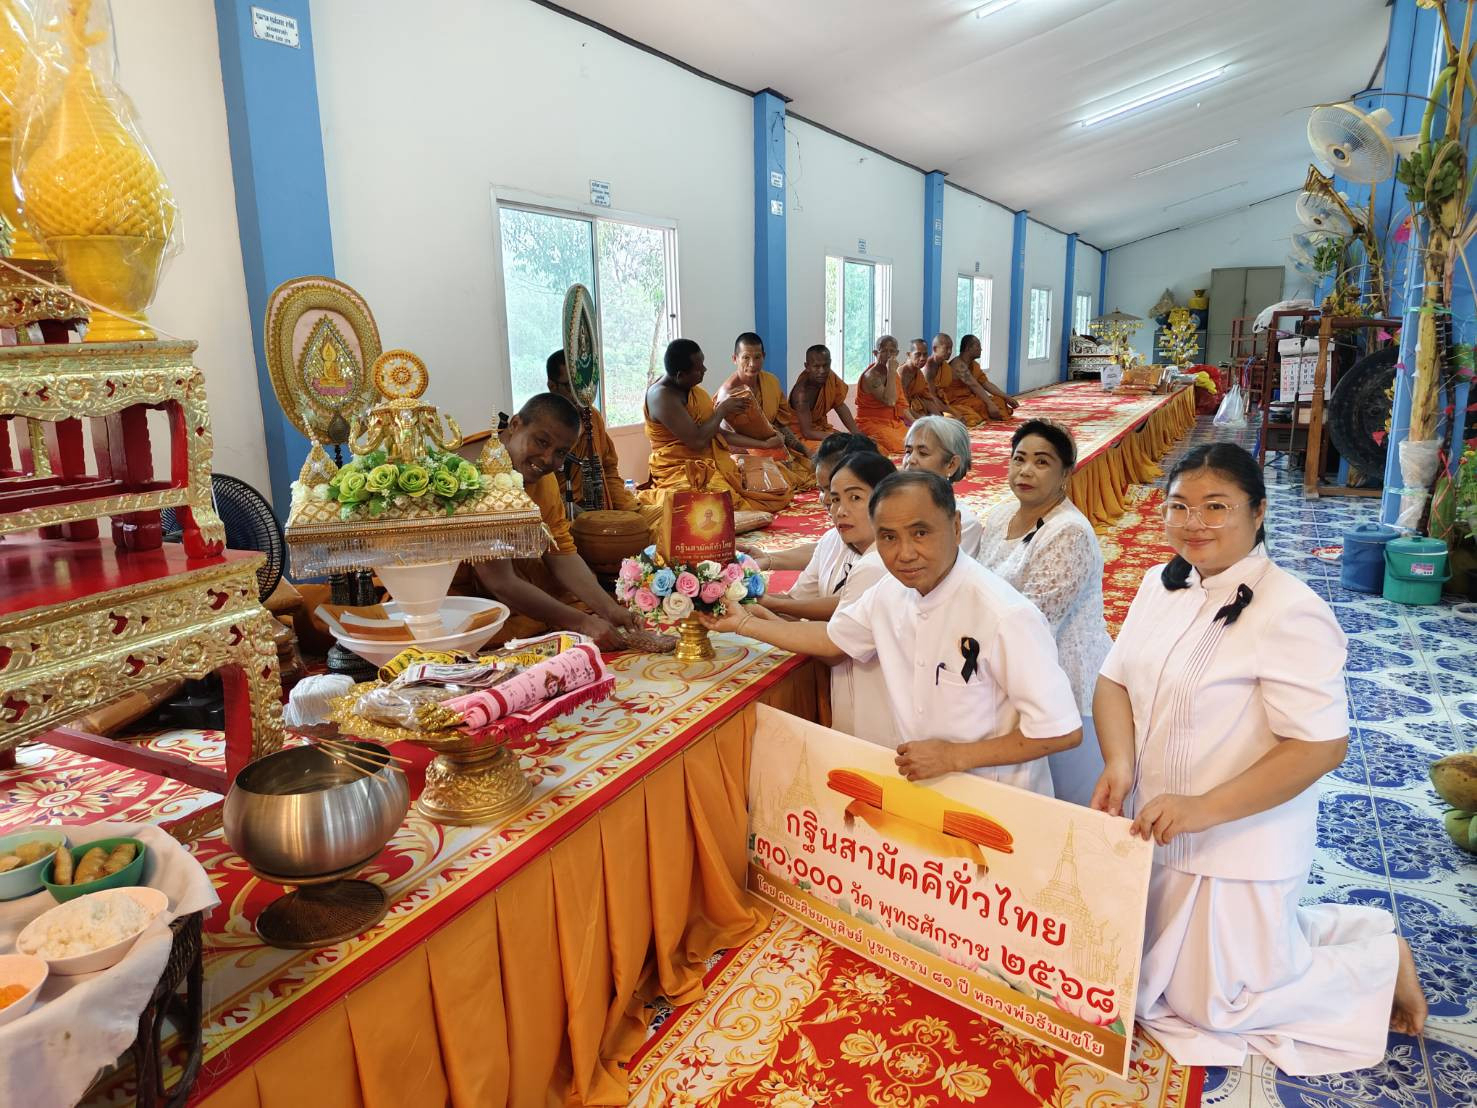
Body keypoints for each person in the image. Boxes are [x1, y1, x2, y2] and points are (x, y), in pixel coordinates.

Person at [1091, 442, 1426, 1074]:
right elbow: (1113, 680)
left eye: (1216, 506)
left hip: (1240, 840)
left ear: (1259, 511)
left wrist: (1204, 808)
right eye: (1179, 506)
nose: (1194, 523)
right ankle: (1337, 932)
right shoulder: (1161, 585)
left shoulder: (1291, 609)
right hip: (1159, 826)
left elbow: (1321, 745)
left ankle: (1381, 964)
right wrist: (1119, 765)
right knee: (1153, 975)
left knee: (1217, 1007)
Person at [706, 470, 1083, 795]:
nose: (904, 553)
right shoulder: (891, 592)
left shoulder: (1005, 615)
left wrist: (955, 756)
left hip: (996, 798)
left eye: (920, 533)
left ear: (955, 527)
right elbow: (832, 640)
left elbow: (1061, 731)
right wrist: (744, 623)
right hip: (921, 789)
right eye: (888, 537)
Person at [976, 420, 1109, 806]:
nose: (1026, 471)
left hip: (1064, 678)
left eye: (1042, 462)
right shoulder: (1001, 516)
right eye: (1019, 459)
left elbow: (1034, 622)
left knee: (1066, 803)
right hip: (1008, 667)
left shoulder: (1069, 532)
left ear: (1065, 473)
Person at [748, 452, 896, 742]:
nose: (840, 510)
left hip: (877, 714)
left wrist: (751, 622)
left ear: (887, 501)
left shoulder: (877, 563)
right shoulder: (853, 548)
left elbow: (834, 649)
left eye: (855, 498)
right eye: (835, 499)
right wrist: (771, 605)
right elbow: (807, 603)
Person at [472, 393, 640, 649]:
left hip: (507, 589)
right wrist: (582, 623)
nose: (547, 459)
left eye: (561, 452)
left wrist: (609, 609)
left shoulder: (544, 480)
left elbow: (560, 551)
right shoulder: (473, 475)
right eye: (541, 442)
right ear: (515, 424)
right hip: (458, 601)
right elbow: (499, 581)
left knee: (570, 605)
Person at [642, 338, 791, 513]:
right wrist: (722, 411)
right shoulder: (662, 397)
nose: (705, 370)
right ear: (681, 375)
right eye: (699, 369)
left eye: (703, 364)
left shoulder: (691, 390)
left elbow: (715, 433)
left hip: (712, 462)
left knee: (775, 489)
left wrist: (764, 444)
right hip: (680, 469)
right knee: (720, 506)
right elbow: (697, 441)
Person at [741, 431, 876, 573]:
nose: (826, 499)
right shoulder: (840, 534)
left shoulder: (881, 548)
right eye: (822, 490)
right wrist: (768, 558)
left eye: (832, 490)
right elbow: (824, 551)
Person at [545, 350, 641, 513]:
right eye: (570, 386)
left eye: (583, 385)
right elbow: (537, 488)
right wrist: (572, 510)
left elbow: (608, 470)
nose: (579, 394)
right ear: (552, 386)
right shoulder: (542, 426)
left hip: (600, 508)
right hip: (562, 512)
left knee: (659, 517)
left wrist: (627, 508)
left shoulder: (592, 417)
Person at [717, 332, 814, 490]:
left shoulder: (771, 382)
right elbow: (724, 437)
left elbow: (779, 424)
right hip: (740, 452)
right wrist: (764, 445)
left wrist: (804, 450)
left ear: (764, 356)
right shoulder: (729, 392)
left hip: (772, 446)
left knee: (809, 469)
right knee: (775, 485)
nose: (752, 364)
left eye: (757, 357)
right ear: (735, 359)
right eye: (746, 357)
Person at [900, 415, 983, 558]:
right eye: (908, 451)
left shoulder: (964, 523)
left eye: (923, 453)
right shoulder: (890, 507)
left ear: (951, 464)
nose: (911, 460)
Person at [787, 344, 859, 450]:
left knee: (859, 446)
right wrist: (841, 438)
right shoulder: (801, 394)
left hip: (820, 431)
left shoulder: (830, 377)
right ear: (807, 366)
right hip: (801, 436)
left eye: (825, 366)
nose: (822, 371)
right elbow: (807, 433)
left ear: (830, 363)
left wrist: (857, 434)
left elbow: (839, 405)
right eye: (816, 366)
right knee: (835, 451)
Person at [853, 334, 912, 454]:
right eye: (884, 351)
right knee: (898, 446)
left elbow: (901, 405)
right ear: (875, 353)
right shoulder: (871, 376)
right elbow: (890, 401)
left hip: (894, 423)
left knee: (913, 440)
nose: (888, 355)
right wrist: (891, 371)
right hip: (871, 422)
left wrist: (916, 422)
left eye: (892, 351)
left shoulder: (893, 375)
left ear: (897, 353)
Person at [951, 334, 1018, 421]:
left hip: (971, 398)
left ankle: (990, 414)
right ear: (968, 348)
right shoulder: (958, 365)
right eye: (978, 346)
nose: (981, 349)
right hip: (957, 401)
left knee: (999, 400)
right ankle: (989, 415)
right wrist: (990, 404)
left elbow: (986, 383)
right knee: (981, 405)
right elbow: (974, 385)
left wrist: (1007, 397)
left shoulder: (974, 365)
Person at [923, 333, 982, 427]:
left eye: (951, 348)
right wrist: (953, 412)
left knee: (971, 414)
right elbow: (930, 398)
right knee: (954, 418)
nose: (949, 352)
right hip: (928, 406)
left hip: (943, 404)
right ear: (935, 349)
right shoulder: (928, 368)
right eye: (946, 348)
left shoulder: (945, 366)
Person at [900, 337, 945, 417]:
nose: (922, 358)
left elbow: (927, 398)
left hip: (918, 409)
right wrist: (920, 419)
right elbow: (901, 404)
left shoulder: (919, 373)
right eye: (918, 355)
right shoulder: (902, 373)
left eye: (925, 354)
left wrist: (939, 418)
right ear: (909, 355)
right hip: (904, 412)